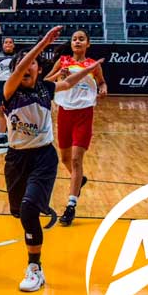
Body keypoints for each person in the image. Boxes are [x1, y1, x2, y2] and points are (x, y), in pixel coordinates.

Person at [4, 28, 103, 291]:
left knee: (28, 209)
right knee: (19, 212)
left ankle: (34, 267)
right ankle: (40, 205)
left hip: (42, 157)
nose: (28, 67)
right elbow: (20, 69)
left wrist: (92, 69)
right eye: (23, 64)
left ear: (38, 69)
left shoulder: (46, 88)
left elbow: (69, 83)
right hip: (16, 159)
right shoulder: (9, 91)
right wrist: (43, 43)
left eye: (34, 63)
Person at [43, 29, 107, 226]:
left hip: (84, 113)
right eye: (74, 39)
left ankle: (70, 205)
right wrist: (58, 75)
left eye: (81, 39)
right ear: (71, 44)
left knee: (77, 159)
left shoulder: (92, 65)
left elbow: (101, 82)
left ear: (88, 43)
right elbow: (45, 81)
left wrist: (103, 88)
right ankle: (79, 180)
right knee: (65, 159)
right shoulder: (62, 61)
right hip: (64, 112)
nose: (77, 41)